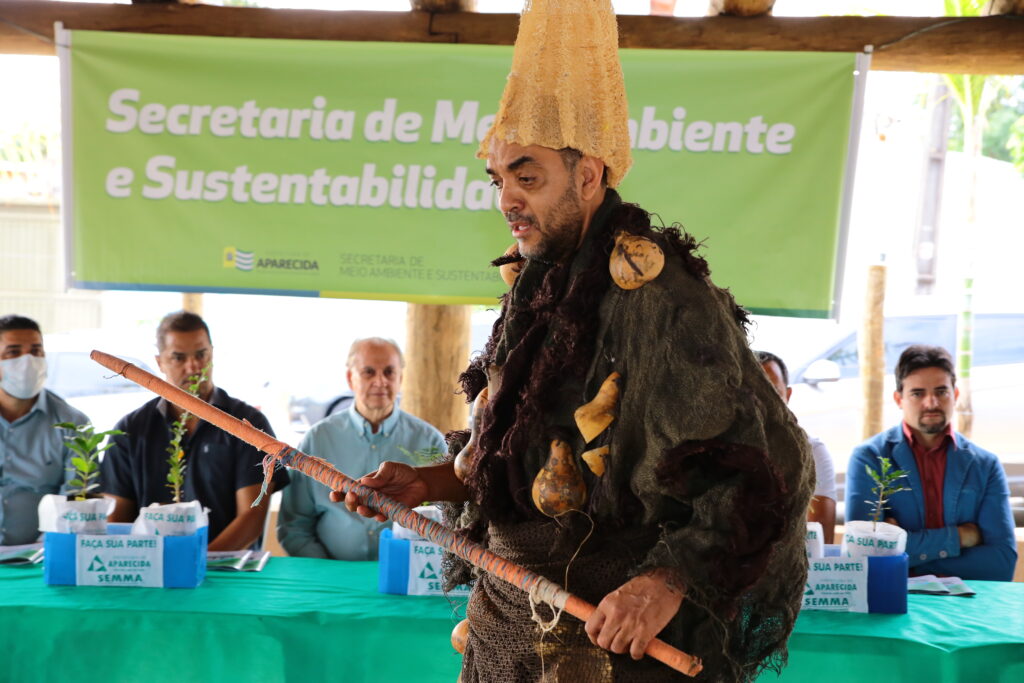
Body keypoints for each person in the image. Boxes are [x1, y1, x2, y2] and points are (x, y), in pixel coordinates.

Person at [338, 2, 813, 680]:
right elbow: (516, 463)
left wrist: (666, 582)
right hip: (505, 637)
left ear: (588, 176)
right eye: (499, 179)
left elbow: (769, 470)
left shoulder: (661, 295)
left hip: (620, 648)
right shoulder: (532, 284)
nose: (506, 198)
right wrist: (426, 481)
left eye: (527, 176)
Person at [100, 311, 288, 550]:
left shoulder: (249, 425)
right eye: (179, 358)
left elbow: (252, 516)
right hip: (151, 570)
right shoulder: (131, 430)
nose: (193, 366)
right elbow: (117, 519)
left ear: (212, 353)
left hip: (226, 573)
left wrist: (199, 564)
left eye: (201, 355)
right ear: (160, 363)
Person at [846, 344, 1016, 581]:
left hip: (966, 604)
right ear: (898, 399)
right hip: (893, 599)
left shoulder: (985, 464)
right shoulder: (870, 458)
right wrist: (959, 538)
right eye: (917, 393)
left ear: (955, 395)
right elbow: (862, 554)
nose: (931, 403)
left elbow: (1001, 563)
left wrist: (908, 561)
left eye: (941, 391)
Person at [278, 337, 446, 560]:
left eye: (389, 372)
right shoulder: (317, 439)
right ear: (350, 378)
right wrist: (328, 574)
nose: (380, 381)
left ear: (400, 378)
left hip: (406, 578)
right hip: (331, 579)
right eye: (368, 372)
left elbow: (445, 521)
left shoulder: (430, 441)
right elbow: (294, 527)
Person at [0, 315, 90, 545]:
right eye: (13, 352)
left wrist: (48, 547)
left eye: (36, 351)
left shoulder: (73, 425)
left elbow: (77, 501)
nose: (28, 361)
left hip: (38, 556)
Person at [756, 350, 838, 543]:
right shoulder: (715, 452)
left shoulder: (812, 453)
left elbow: (818, 541)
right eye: (753, 391)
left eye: (773, 392)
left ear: (788, 395)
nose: (763, 402)